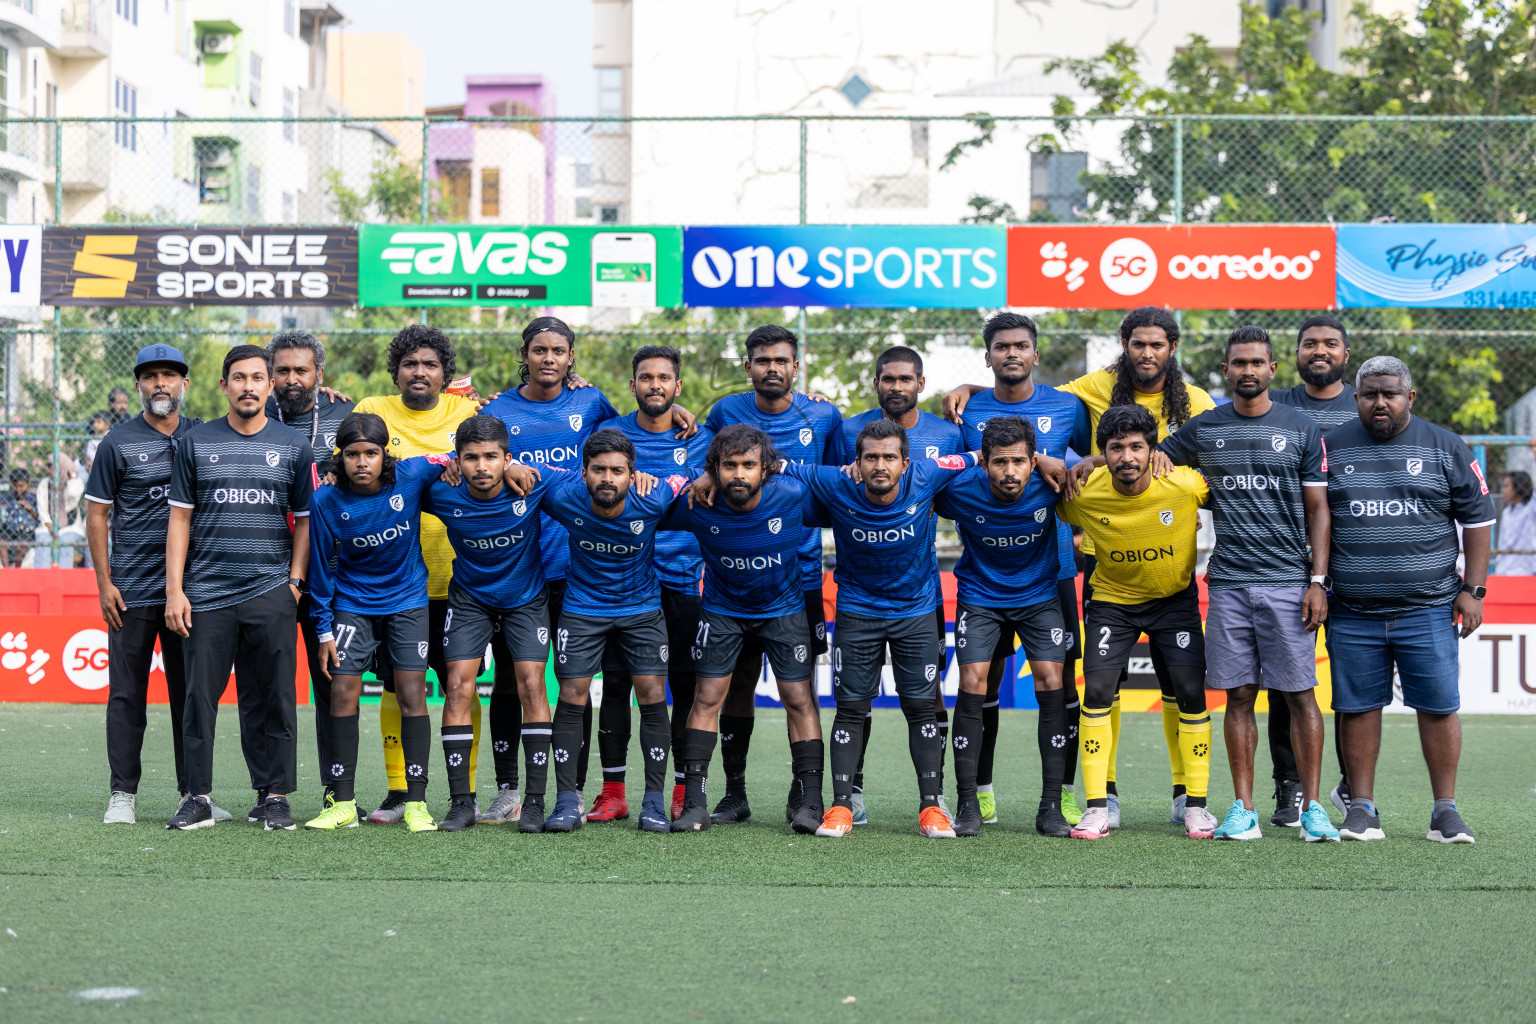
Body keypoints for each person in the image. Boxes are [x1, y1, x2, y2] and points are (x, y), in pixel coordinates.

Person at [948, 306, 1216, 829]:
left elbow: (1211, 467)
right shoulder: (1089, 389)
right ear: (1124, 343)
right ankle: (1094, 796)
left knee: (1169, 687)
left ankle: (1182, 795)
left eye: (1156, 344)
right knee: (1077, 685)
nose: (1146, 353)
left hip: (1099, 575)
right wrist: (970, 388)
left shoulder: (1199, 404)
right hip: (1092, 562)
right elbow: (1020, 400)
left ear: (1171, 348)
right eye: (1137, 343)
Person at [479, 317, 698, 823]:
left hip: (591, 575)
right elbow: (474, 453)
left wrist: (674, 413)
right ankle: (516, 791)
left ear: (572, 357)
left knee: (623, 687)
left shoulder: (593, 404)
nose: (549, 358)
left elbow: (635, 428)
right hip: (526, 570)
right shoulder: (497, 409)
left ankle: (601, 793)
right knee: (519, 680)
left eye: (559, 350)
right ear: (525, 353)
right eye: (539, 350)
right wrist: (506, 464)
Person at [1157, 326, 1340, 843]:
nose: (1248, 371)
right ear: (1226, 370)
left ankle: (1312, 810)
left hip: (1288, 582)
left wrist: (1318, 580)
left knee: (1301, 696)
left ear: (1272, 370)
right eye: (1239, 363)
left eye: (1257, 363)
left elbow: (1318, 509)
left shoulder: (1301, 428)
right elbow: (1153, 460)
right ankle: (1244, 808)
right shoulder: (1205, 427)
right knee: (1239, 695)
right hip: (1231, 582)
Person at [767, 419, 978, 838]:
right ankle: (842, 807)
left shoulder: (929, 473)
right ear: (856, 463)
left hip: (915, 613)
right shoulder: (835, 482)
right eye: (870, 458)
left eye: (888, 458)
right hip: (857, 613)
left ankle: (931, 809)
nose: (879, 466)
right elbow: (775, 465)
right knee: (850, 708)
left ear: (905, 463)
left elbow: (979, 456)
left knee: (921, 708)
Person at [1324, 356, 1493, 844]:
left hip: (1430, 607)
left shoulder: (1445, 445)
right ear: (1355, 398)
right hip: (1353, 609)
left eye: (1390, 393)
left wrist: (1474, 590)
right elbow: (1317, 518)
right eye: (1370, 394)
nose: (1380, 402)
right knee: (1357, 708)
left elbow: (1479, 520)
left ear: (1410, 397)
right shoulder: (1330, 449)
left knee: (1439, 707)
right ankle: (1362, 809)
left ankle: (1445, 811)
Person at [949, 313, 1091, 827]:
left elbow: (1099, 461)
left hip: (1050, 574)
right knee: (978, 683)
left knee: (1059, 682)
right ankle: (975, 794)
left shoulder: (1069, 405)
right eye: (1001, 347)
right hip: (984, 581)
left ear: (1035, 353)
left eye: (1022, 346)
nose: (1012, 354)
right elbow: (938, 470)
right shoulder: (965, 409)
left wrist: (1053, 461)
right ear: (987, 356)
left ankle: (1060, 797)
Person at [164, 345, 313, 831]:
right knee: (198, 699)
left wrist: (294, 581)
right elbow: (180, 519)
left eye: (257, 378)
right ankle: (197, 796)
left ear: (270, 386)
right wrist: (175, 590)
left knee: (273, 698)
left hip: (271, 590)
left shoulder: (293, 445)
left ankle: (273, 796)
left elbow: (306, 521)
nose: (248, 387)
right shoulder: (196, 443)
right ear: (224, 386)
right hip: (206, 594)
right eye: (238, 378)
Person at [702, 324, 842, 825]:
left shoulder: (824, 414)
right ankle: (734, 794)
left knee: (797, 689)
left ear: (795, 367)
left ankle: (804, 795)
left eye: (781, 361)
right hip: (735, 576)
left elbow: (839, 485)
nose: (772, 369)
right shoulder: (723, 412)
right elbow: (704, 461)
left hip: (798, 580)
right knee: (734, 685)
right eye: (762, 361)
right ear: (748, 366)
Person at [1056, 405, 1215, 840]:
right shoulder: (1084, 492)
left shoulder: (1182, 484)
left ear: (1151, 449)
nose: (1127, 456)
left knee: (1189, 692)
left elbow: (1228, 487)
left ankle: (1194, 805)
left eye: (1136, 447)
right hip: (1113, 603)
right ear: (1102, 453)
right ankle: (1097, 806)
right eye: (1115, 448)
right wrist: (1072, 466)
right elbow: (1042, 480)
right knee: (1100, 691)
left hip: (1174, 601)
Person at [663, 425, 825, 834]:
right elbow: (643, 502)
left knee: (797, 696)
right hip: (723, 610)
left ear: (766, 469)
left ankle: (809, 800)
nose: (739, 474)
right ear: (714, 469)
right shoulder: (697, 503)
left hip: (783, 609)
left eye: (748, 465)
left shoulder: (792, 495)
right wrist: (687, 480)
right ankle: (703, 803)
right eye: (729, 465)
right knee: (709, 696)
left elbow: (848, 493)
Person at [831, 346, 964, 826]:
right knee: (854, 699)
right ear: (876, 383)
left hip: (920, 592)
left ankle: (935, 797)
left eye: (905, 379)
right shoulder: (848, 431)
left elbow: (970, 479)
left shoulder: (948, 435)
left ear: (920, 384)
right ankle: (852, 793)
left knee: (926, 700)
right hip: (860, 593)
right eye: (887, 379)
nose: (896, 387)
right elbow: (830, 485)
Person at [86, 345, 218, 824]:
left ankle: (193, 795)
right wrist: (104, 583)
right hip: (131, 591)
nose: (160, 383)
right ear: (138, 385)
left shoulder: (206, 437)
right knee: (126, 695)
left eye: (169, 375)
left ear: (184, 383)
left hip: (189, 592)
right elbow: (97, 515)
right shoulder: (116, 442)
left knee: (191, 695)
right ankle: (123, 794)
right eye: (150, 377)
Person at [353, 325, 479, 824]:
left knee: (458, 684)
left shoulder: (470, 413)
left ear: (445, 373)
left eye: (429, 364)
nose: (419, 372)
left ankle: (462, 791)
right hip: (393, 580)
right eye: (410, 364)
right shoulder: (372, 410)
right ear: (396, 371)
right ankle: (400, 790)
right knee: (394, 686)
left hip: (458, 575)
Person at [534, 429, 685, 834]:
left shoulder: (653, 496)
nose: (607, 478)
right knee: (570, 695)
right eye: (598, 469)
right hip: (583, 609)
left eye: (617, 471)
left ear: (632, 474)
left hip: (642, 611)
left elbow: (687, 479)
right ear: (583, 473)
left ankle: (653, 802)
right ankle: (567, 802)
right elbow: (515, 466)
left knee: (652, 695)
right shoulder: (564, 494)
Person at [302, 413, 442, 833]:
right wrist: (323, 629)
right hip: (353, 604)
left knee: (412, 693)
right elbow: (322, 572)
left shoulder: (412, 475)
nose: (362, 462)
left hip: (408, 601)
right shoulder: (325, 500)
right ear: (340, 458)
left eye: (370, 453)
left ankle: (416, 803)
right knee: (342, 690)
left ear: (385, 455)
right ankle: (342, 803)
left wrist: (506, 464)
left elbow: (453, 455)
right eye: (352, 454)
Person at [935, 417, 1072, 837]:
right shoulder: (959, 490)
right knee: (974, 680)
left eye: (1018, 461)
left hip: (1038, 596)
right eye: (998, 462)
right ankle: (968, 803)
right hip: (980, 597)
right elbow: (922, 474)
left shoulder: (1052, 485)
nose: (1009, 472)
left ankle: (1050, 807)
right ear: (984, 463)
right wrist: (969, 458)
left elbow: (1102, 470)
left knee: (1052, 679)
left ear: (1034, 461)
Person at [423, 416, 555, 832]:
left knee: (531, 685)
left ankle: (532, 802)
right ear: (458, 461)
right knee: (458, 685)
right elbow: (400, 469)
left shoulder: (533, 482)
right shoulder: (441, 491)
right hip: (470, 600)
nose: (482, 467)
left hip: (525, 598)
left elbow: (591, 478)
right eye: (472, 458)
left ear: (507, 458)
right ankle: (462, 802)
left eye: (492, 457)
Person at [607, 346, 714, 820]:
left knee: (683, 687)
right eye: (645, 377)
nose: (655, 385)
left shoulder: (705, 440)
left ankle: (680, 789)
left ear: (678, 387)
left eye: (664, 378)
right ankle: (613, 792)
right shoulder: (609, 436)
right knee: (615, 685)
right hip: (624, 581)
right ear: (632, 386)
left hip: (685, 581)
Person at [1268, 314, 1357, 823]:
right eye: (1309, 344)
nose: (1319, 351)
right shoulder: (1275, 403)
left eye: (1329, 344)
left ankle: (1349, 786)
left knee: (1350, 683)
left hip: (1354, 567)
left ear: (1346, 354)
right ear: (1295, 353)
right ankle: (1290, 786)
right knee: (1287, 683)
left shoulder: (1365, 405)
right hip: (1281, 564)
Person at [265, 329, 357, 817]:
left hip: (333, 577)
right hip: (267, 576)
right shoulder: (255, 415)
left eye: (302, 370)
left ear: (320, 374)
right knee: (273, 687)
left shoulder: (345, 414)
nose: (292, 379)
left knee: (334, 685)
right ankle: (272, 792)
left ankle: (336, 791)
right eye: (282, 370)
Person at [1496, 471, 1536, 575]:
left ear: (1518, 487)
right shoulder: (1507, 512)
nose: (1503, 490)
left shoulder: (1530, 509)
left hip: (1525, 571)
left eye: (1506, 486)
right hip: (1503, 570)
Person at [0, 467, 39, 567]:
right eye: (15, 486)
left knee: (23, 543)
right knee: (1, 542)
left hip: (26, 531)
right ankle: (7, 569)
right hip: (8, 530)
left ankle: (17, 569)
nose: (18, 489)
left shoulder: (33, 498)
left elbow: (38, 517)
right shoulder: (6, 497)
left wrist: (29, 509)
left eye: (21, 486)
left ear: (27, 484)